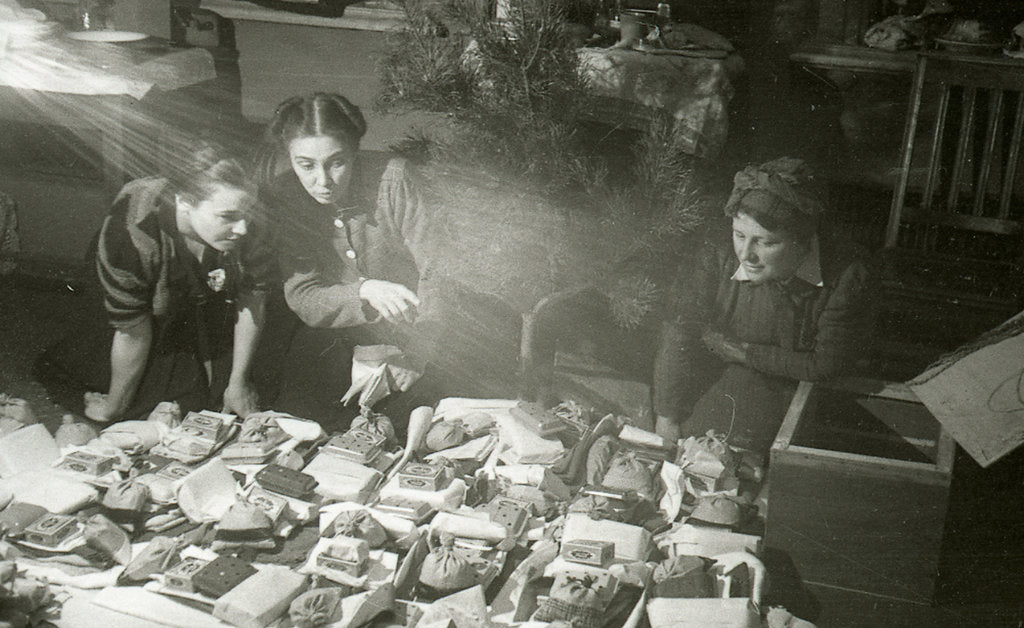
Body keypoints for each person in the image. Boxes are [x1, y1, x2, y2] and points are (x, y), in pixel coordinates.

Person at [38, 140, 272, 423]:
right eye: (228, 217)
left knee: (243, 392)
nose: (243, 228)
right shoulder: (132, 233)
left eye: (249, 213)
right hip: (139, 315)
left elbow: (252, 298)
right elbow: (133, 331)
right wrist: (115, 404)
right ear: (183, 201)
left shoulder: (247, 218)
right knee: (164, 402)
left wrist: (238, 380)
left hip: (202, 301)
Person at [652, 157, 875, 454]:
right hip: (726, 370)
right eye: (739, 235)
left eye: (766, 243)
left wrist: (744, 352)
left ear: (802, 241)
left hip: (798, 385)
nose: (746, 254)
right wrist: (667, 417)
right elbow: (679, 331)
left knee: (740, 450)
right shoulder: (716, 251)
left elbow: (825, 364)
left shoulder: (846, 275)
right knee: (687, 436)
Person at [257, 93, 437, 428]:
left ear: (355, 152)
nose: (322, 181)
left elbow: (439, 270)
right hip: (333, 338)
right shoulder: (288, 197)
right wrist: (364, 290)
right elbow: (304, 296)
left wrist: (419, 351)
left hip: (414, 332)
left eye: (336, 162)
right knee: (300, 432)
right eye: (306, 165)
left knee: (408, 435)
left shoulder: (394, 180)